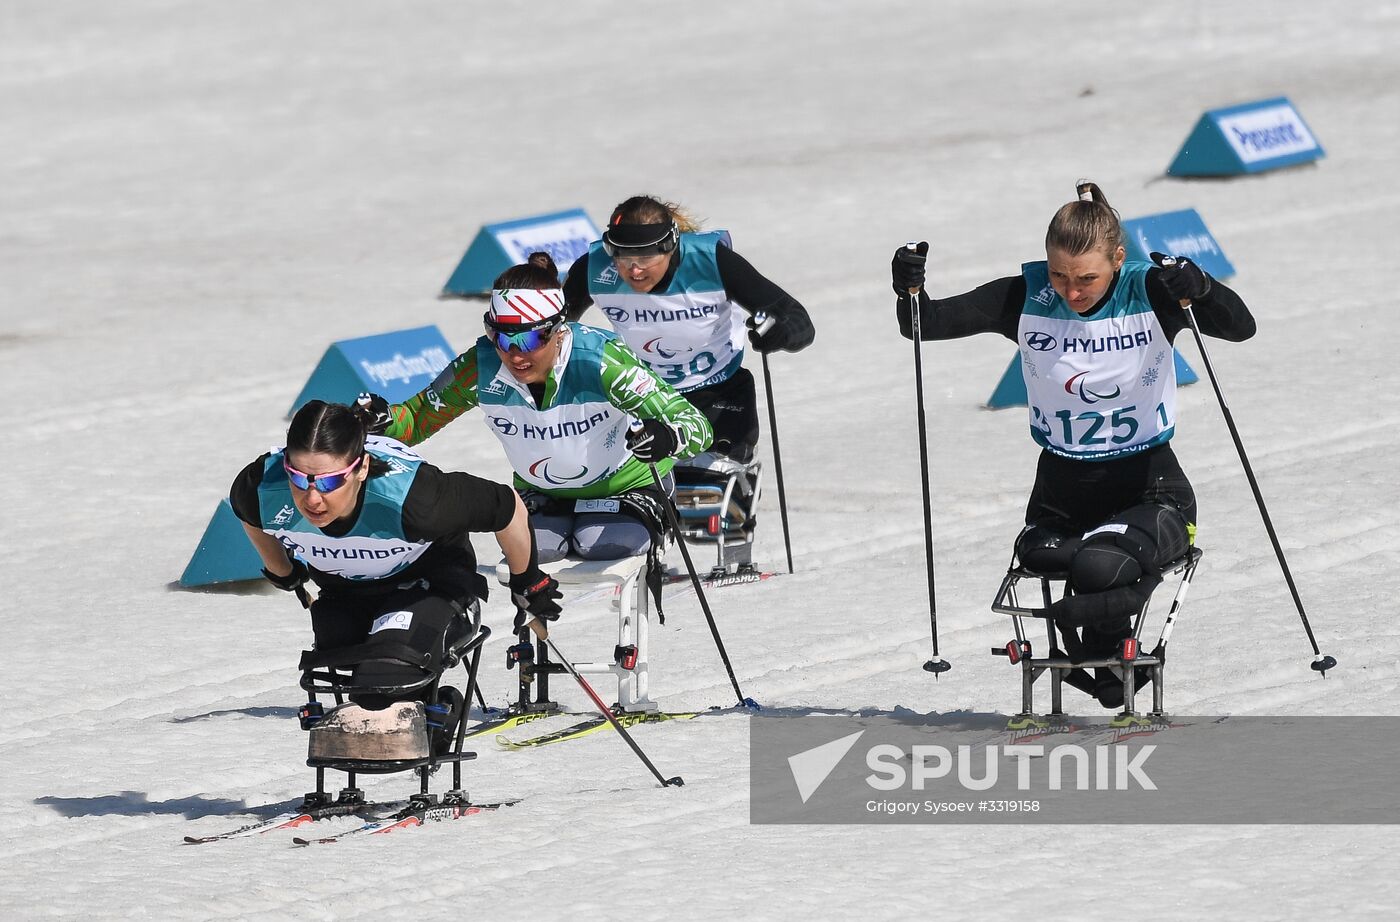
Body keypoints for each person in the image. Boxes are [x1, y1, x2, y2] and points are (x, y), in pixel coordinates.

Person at [891, 180, 1257, 708]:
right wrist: (910, 290)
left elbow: (1240, 328)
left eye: (1086, 277)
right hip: (1061, 495)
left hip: (1151, 490)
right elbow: (923, 325)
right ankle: (1099, 660)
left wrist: (1201, 287)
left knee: (1097, 566)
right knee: (1039, 556)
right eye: (1060, 274)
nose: (1072, 291)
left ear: (1118, 259)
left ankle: (1111, 664)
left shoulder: (1150, 291)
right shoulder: (1027, 295)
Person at [230, 399, 562, 739]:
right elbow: (249, 514)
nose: (312, 499)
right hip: (348, 591)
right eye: (299, 479)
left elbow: (506, 506)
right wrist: (282, 570)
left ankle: (441, 710)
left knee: (380, 685)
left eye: (330, 483)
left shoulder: (415, 498)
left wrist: (527, 581)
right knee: (337, 653)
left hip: (431, 584)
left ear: (361, 468)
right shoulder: (262, 486)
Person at [372, 252, 714, 568]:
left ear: (558, 331)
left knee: (600, 544)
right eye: (502, 338)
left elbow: (694, 424)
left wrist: (668, 437)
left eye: (529, 340)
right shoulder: (479, 367)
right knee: (536, 550)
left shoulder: (600, 360)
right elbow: (414, 420)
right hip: (543, 494)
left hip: (625, 489)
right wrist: (374, 421)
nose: (515, 354)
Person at [562, 194, 815, 467]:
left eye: (646, 256)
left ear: (669, 246)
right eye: (621, 255)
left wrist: (779, 332)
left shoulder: (711, 262)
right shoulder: (593, 268)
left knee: (714, 491)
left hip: (718, 391)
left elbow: (798, 319)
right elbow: (555, 328)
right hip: (645, 396)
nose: (633, 269)